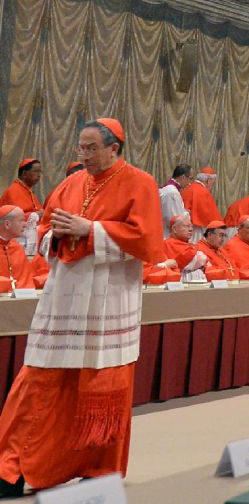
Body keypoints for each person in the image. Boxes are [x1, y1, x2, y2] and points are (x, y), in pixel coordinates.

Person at [0, 118, 163, 496]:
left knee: (101, 385)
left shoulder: (140, 183)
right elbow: (40, 233)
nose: (84, 156)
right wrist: (54, 235)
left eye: (91, 149)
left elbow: (149, 241)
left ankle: (97, 465)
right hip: (64, 295)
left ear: (114, 149)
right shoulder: (71, 183)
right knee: (40, 377)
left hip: (108, 296)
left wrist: (90, 229)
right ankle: (16, 467)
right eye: (80, 148)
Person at [0, 159, 42, 256]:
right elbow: (14, 219)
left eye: (40, 172)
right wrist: (37, 214)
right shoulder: (14, 191)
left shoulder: (28, 190)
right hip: (16, 239)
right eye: (36, 171)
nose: (39, 175)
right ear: (24, 173)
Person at [182, 168, 222, 242]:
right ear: (208, 180)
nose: (212, 186)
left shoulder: (188, 188)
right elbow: (208, 216)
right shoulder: (203, 192)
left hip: (185, 227)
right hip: (197, 230)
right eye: (213, 183)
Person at [0, 207, 32, 291]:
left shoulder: (17, 247)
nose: (25, 224)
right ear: (7, 224)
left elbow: (27, 281)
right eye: (21, 220)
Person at [157, 165, 193, 239]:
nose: (189, 183)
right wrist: (187, 213)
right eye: (190, 179)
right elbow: (174, 220)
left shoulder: (170, 189)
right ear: (183, 177)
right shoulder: (172, 192)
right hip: (167, 236)